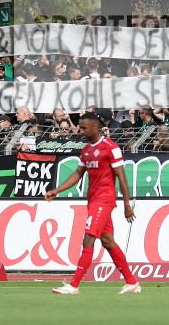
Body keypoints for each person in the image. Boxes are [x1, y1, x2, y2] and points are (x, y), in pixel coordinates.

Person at [46, 112, 140, 295]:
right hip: (93, 200)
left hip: (104, 200)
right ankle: (131, 282)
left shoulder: (110, 147)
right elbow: (77, 174)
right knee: (107, 241)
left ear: (95, 128)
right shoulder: (86, 150)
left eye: (84, 127)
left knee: (88, 238)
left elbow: (121, 176)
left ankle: (74, 285)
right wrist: (57, 190)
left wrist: (127, 204)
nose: (80, 130)